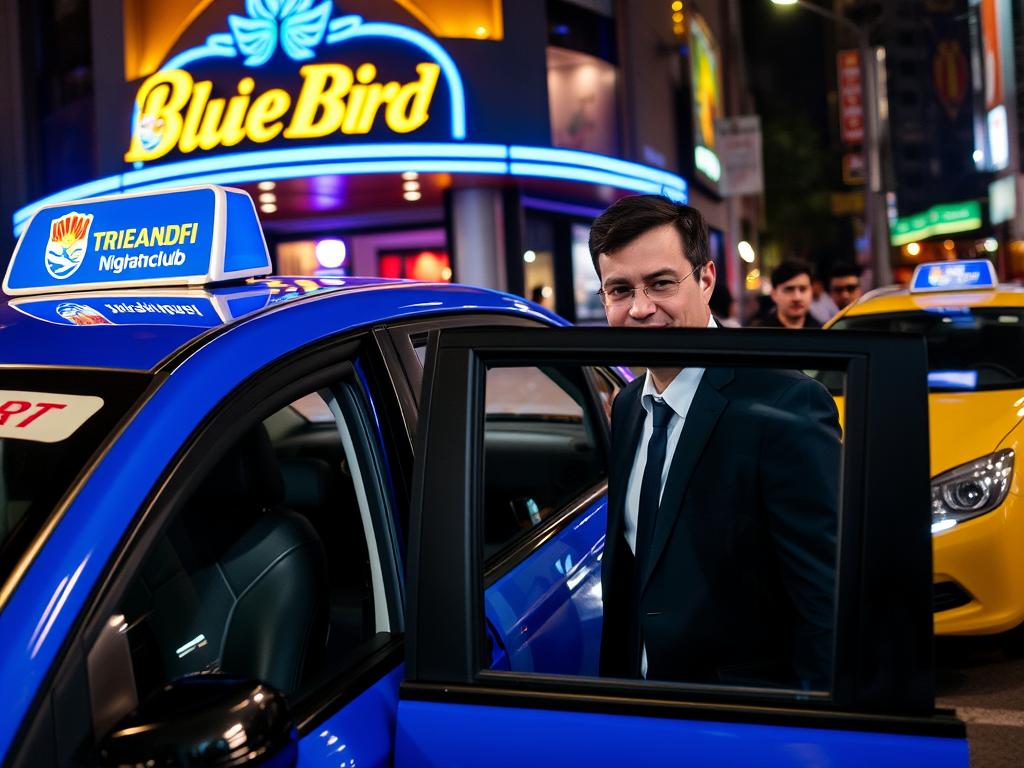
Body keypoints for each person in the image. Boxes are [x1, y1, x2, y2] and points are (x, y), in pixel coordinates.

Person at [589, 194, 840, 690]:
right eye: (619, 290)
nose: (640, 309)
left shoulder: (786, 403)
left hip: (743, 717)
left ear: (705, 279)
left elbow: (826, 600)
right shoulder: (628, 406)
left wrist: (818, 733)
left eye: (660, 283)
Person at [751, 259, 821, 328]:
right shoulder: (758, 334)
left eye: (803, 289)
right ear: (774, 294)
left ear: (811, 291)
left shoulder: (823, 333)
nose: (797, 297)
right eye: (789, 289)